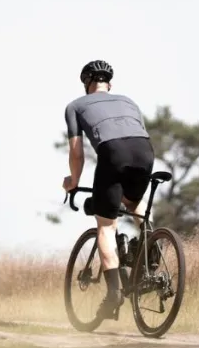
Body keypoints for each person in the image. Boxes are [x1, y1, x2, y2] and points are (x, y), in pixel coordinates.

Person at [63, 59, 155, 320]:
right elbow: (138, 135)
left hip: (113, 153)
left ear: (87, 83)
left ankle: (114, 292)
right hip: (145, 152)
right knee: (133, 203)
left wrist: (73, 181)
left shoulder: (75, 106)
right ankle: (151, 245)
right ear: (109, 84)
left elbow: (76, 153)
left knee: (106, 225)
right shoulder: (129, 102)